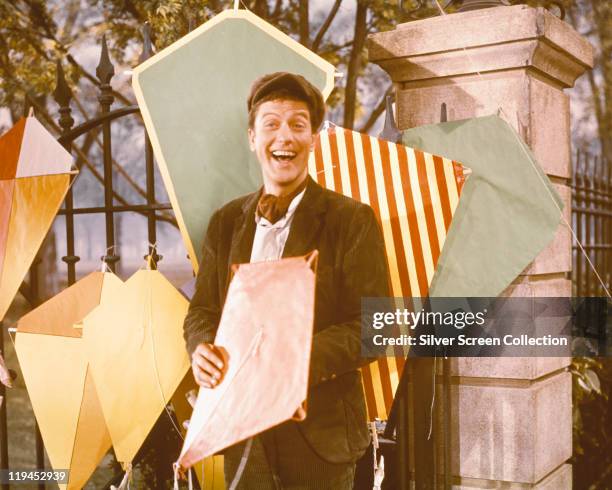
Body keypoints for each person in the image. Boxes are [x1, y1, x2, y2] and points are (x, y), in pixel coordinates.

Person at [183, 72, 389, 489]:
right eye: (272, 123)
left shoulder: (352, 219)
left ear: (313, 138)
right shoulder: (225, 223)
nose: (285, 137)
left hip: (321, 440)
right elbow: (202, 311)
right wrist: (199, 346)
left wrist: (292, 361)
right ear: (252, 137)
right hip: (242, 433)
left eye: (298, 124)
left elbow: (374, 327)